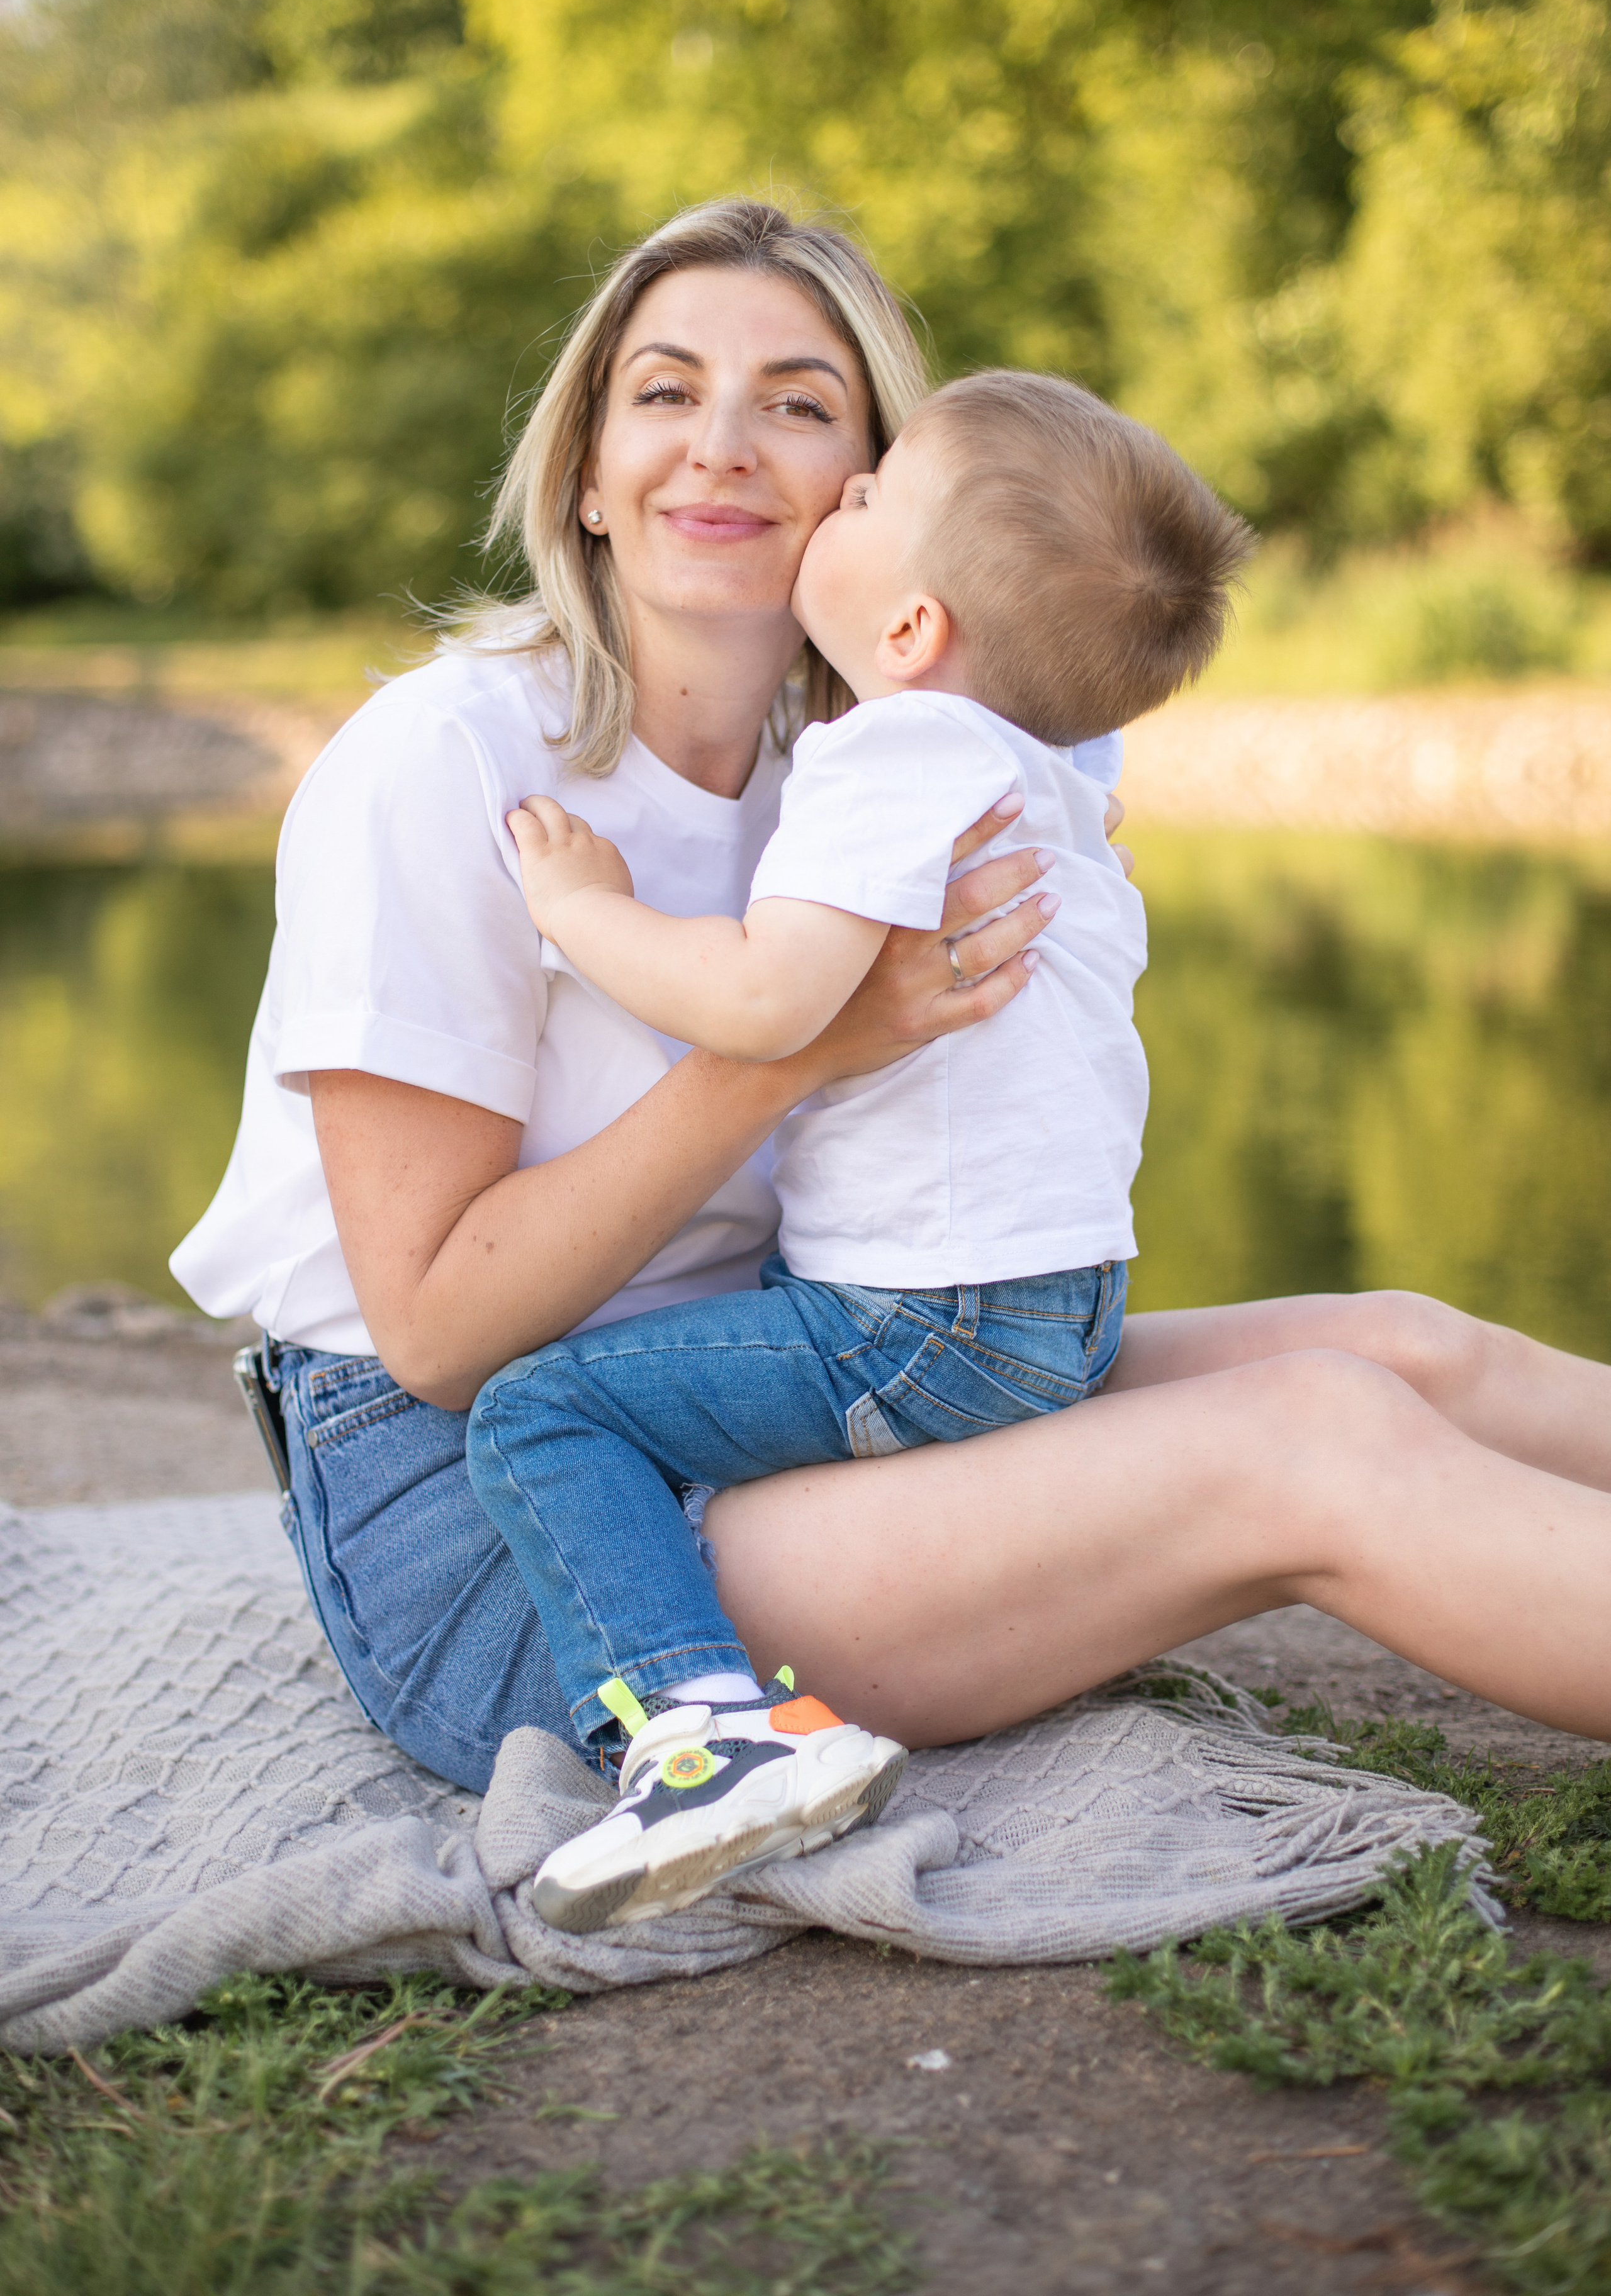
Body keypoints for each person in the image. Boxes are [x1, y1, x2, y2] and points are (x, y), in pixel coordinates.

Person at [172, 198, 1611, 1863]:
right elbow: (432, 1337)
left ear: (881, 489)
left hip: (796, 1368)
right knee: (1310, 1444)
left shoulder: (898, 753)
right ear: (582, 467)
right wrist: (800, 1051)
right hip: (516, 1525)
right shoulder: (448, 768)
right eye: (662, 392)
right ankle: (689, 1743)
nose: (721, 446)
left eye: (797, 403)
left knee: (1396, 1346)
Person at [466, 370, 1255, 1934]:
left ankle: (705, 1739)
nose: (838, 495)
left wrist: (581, 915)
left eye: (872, 498)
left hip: (931, 1318)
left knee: (537, 1407)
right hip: (1060, 1300)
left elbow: (768, 1001)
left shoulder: (897, 756)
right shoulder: (1048, 767)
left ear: (907, 634)